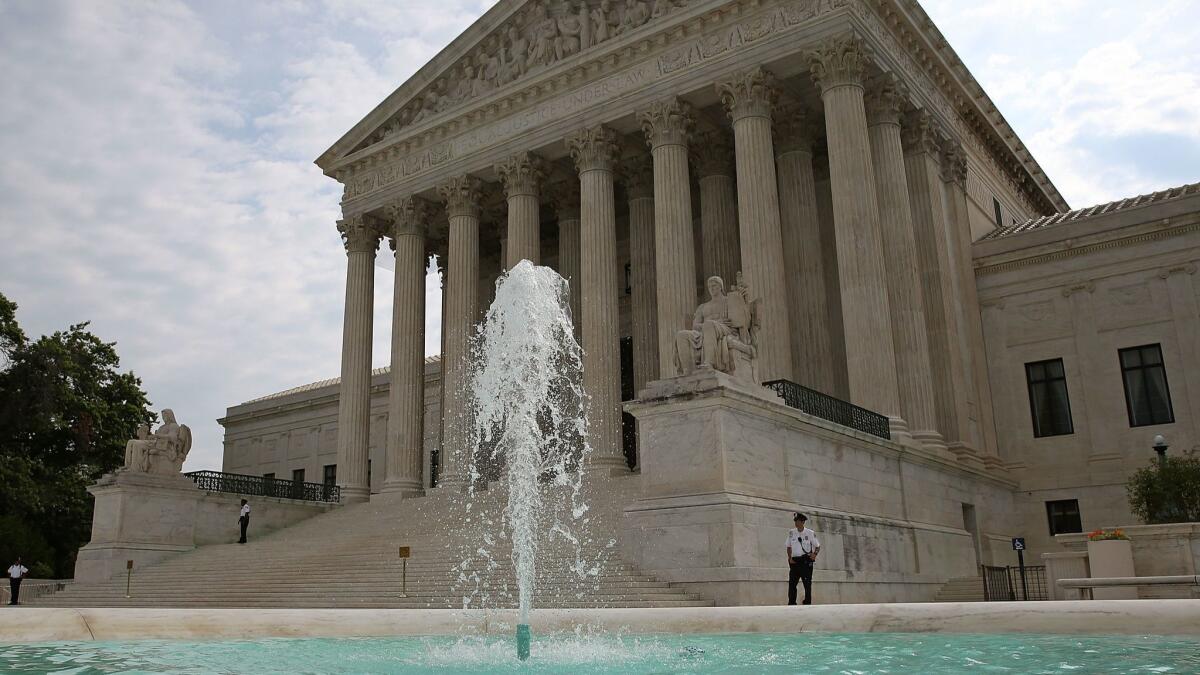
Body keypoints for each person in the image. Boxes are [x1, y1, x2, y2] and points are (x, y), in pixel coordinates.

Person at [785, 512, 820, 605]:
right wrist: (789, 558)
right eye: (795, 521)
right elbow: (788, 546)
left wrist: (815, 554)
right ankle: (792, 603)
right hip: (795, 561)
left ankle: (807, 602)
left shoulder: (810, 533)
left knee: (807, 583)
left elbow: (817, 546)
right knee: (792, 584)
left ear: (803, 522)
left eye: (798, 521)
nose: (796, 523)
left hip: (805, 561)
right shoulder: (792, 532)